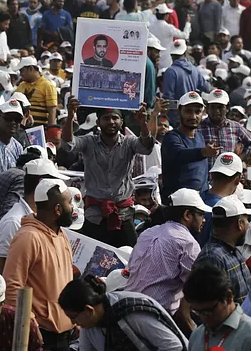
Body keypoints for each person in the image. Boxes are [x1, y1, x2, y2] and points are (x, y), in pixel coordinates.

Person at [58, 275, 188, 351]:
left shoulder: (131, 311)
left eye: (73, 317)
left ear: (89, 310)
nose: (73, 323)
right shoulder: (89, 327)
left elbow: (172, 346)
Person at [60, 99, 154, 247]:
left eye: (115, 118)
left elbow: (146, 148)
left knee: (130, 255)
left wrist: (143, 123)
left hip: (123, 215)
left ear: (121, 122)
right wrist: (71, 116)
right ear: (98, 122)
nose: (111, 122)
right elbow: (67, 145)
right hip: (95, 216)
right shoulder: (89, 142)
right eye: (106, 118)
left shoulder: (129, 142)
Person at [3, 178, 75, 351]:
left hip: (64, 335)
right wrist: (29, 325)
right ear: (57, 209)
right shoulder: (28, 237)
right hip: (40, 337)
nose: (73, 208)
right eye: (69, 203)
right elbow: (12, 286)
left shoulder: (61, 234)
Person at [124, 188, 210, 324]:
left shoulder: (148, 233)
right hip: (153, 316)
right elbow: (197, 288)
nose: (204, 220)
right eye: (201, 214)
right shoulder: (187, 243)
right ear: (187, 215)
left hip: (125, 306)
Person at [193, 198, 251, 304]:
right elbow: (208, 304)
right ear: (240, 224)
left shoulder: (233, 251)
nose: (248, 225)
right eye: (247, 221)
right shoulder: (212, 258)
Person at [161, 91, 217, 199]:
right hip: (177, 201)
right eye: (188, 111)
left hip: (200, 200)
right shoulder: (171, 137)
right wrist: (203, 152)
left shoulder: (200, 137)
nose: (193, 116)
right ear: (179, 111)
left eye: (197, 112)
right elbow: (180, 154)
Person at [162, 39, 210, 123]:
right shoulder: (195, 70)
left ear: (171, 55)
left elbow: (168, 98)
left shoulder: (171, 71)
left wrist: (174, 117)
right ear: (185, 53)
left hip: (177, 117)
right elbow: (207, 88)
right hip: (193, 115)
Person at [14, 57, 57, 127]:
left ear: (30, 69)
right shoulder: (22, 85)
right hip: (22, 127)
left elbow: (52, 110)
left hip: (40, 127)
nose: (21, 74)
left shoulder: (48, 85)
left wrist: (51, 129)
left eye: (22, 71)